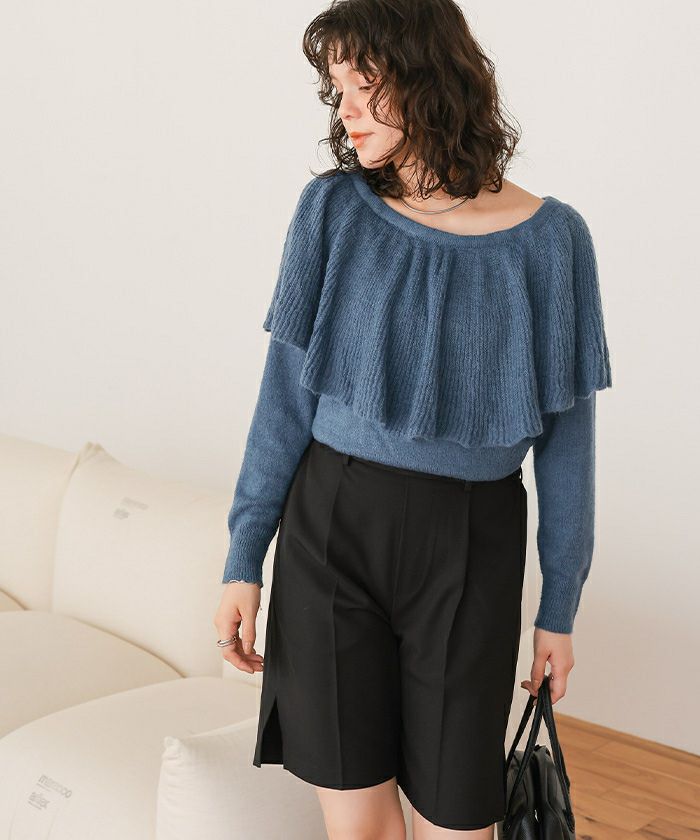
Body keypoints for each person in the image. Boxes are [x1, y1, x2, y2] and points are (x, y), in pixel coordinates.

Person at [213, 1, 612, 836]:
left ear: (429, 80)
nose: (346, 110)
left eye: (365, 85)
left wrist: (559, 609)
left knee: (457, 825)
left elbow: (568, 445)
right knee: (359, 828)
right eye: (337, 90)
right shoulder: (330, 211)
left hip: (470, 546)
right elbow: (283, 399)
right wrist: (244, 558)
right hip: (330, 533)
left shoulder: (553, 242)